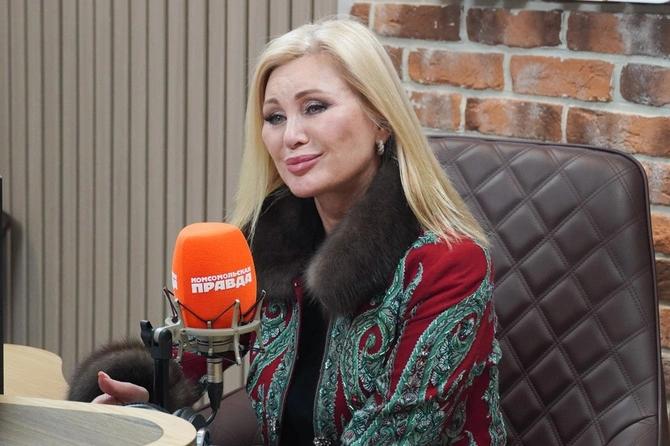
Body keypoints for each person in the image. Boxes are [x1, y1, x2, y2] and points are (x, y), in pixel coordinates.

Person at [89, 17, 506, 445]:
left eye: (315, 107)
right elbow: (191, 363)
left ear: (381, 119)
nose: (290, 136)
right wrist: (146, 397)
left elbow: (394, 436)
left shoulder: (449, 263)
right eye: (274, 116)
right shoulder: (263, 246)